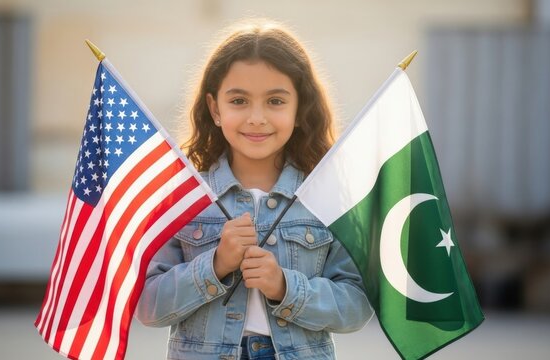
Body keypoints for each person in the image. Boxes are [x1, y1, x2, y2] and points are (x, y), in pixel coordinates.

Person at [135, 18, 373, 360]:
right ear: (215, 108)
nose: (257, 118)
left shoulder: (326, 195)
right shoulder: (185, 195)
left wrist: (285, 287)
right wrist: (214, 265)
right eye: (239, 101)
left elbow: (357, 305)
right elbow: (148, 305)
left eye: (275, 101)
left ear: (299, 108)